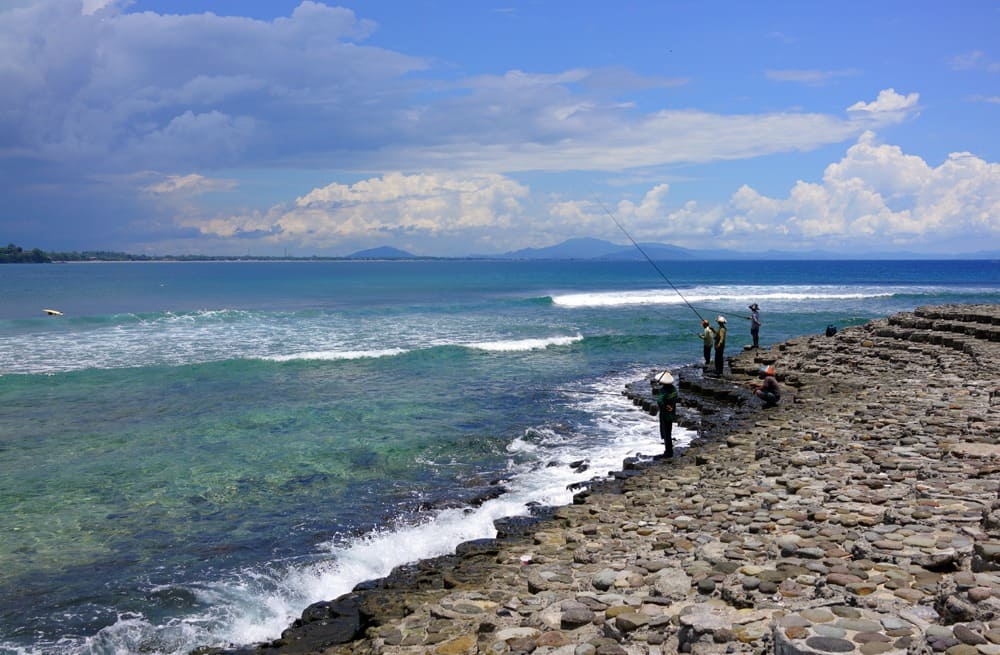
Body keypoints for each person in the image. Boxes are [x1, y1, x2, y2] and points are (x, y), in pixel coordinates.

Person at [653, 370, 678, 457]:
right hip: (672, 413)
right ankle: (669, 449)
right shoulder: (674, 389)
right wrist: (670, 406)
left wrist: (665, 406)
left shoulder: (663, 390)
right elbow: (675, 398)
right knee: (669, 431)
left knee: (665, 432)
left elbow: (659, 401)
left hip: (665, 414)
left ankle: (668, 452)